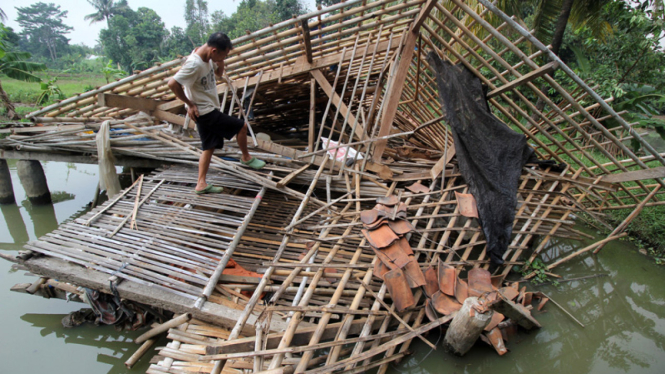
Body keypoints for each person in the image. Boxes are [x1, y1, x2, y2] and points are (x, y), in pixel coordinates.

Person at [168, 32, 265, 195]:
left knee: (209, 147)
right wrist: (189, 104)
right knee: (241, 126)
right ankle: (246, 158)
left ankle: (201, 184)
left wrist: (221, 62)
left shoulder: (208, 58)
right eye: (224, 54)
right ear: (214, 50)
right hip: (204, 111)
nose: (224, 58)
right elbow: (173, 84)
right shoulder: (194, 64)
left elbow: (219, 74)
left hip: (207, 109)